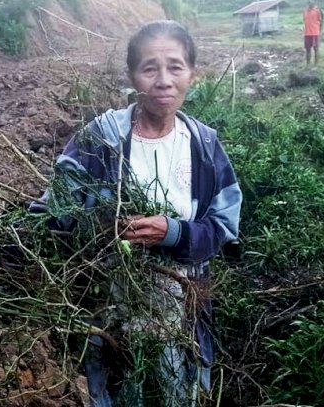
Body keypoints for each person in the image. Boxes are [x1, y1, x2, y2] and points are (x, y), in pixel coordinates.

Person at [30, 20, 242, 406]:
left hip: (181, 302)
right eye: (149, 68)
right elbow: (54, 213)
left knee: (179, 387)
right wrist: (4, 249)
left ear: (192, 74)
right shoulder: (100, 139)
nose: (163, 80)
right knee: (118, 389)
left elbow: (223, 227)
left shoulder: (204, 146)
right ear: (132, 76)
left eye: (176, 66)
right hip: (111, 304)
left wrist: (175, 233)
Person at [303, 0, 323, 65]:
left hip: (315, 33)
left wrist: (319, 31)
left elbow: (321, 21)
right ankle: (308, 64)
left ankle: (316, 65)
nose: (310, 1)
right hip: (307, 33)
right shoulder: (305, 10)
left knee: (316, 49)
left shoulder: (318, 10)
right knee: (307, 50)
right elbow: (304, 20)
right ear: (307, 1)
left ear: (315, 1)